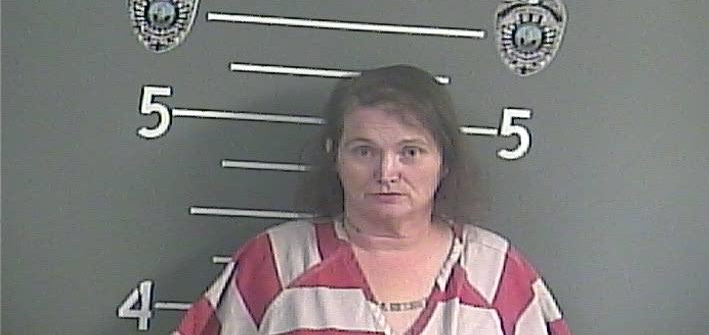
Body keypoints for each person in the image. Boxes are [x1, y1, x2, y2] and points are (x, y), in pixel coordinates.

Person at [173, 65, 572, 335]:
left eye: (410, 152)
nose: (386, 172)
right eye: (364, 151)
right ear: (335, 155)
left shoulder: (497, 272)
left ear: (444, 160)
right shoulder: (275, 264)